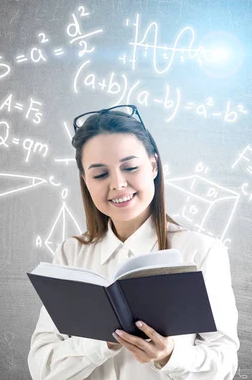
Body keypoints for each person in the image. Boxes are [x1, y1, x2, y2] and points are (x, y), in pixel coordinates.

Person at [28, 105, 239, 379]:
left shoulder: (200, 252)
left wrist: (170, 356)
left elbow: (224, 364)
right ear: (85, 181)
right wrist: (103, 342)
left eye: (130, 167)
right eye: (100, 174)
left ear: (153, 165)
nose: (117, 184)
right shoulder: (72, 254)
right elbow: (42, 368)